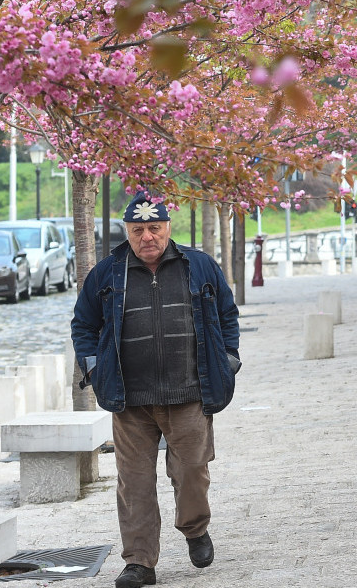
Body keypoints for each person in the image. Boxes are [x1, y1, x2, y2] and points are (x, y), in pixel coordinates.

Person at [72, 192, 241, 588]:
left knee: (192, 471)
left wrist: (229, 360)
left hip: (190, 393)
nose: (147, 236)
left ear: (167, 227)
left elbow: (227, 315)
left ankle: (195, 528)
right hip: (130, 400)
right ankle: (139, 562)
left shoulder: (199, 266)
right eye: (138, 230)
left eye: (154, 227)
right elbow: (83, 326)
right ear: (127, 232)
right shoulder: (106, 274)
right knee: (134, 483)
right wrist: (95, 369)